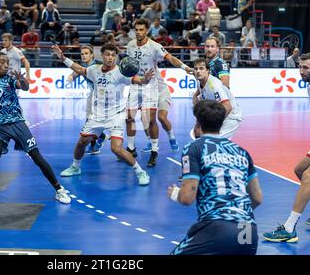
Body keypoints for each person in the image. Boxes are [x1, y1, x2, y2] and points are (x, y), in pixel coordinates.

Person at [0, 52, 71, 208]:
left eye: (7, 62)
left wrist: (21, 78)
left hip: (17, 122)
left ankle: (58, 189)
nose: (6, 65)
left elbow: (25, 87)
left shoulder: (10, 79)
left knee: (36, 156)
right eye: (2, 62)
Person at [168, 99, 262, 255]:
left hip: (217, 226)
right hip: (248, 230)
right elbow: (257, 198)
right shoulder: (242, 152)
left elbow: (186, 198)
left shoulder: (194, 148)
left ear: (198, 123)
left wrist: (175, 194)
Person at [53, 43, 153, 186]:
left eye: (113, 55)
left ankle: (140, 172)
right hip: (97, 115)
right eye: (107, 54)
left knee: (116, 149)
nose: (110, 58)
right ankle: (75, 167)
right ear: (102, 55)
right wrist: (62, 57)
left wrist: (146, 79)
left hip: (116, 116)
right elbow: (79, 69)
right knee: (81, 142)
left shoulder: (121, 72)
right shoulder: (94, 70)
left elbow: (139, 80)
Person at [263, 53, 310, 242]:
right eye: (300, 67)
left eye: (306, 68)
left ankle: (289, 228)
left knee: (309, 175)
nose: (301, 71)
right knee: (300, 170)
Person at [126, 18, 192, 167]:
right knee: (129, 118)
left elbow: (171, 58)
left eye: (141, 30)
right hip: (136, 85)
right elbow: (128, 66)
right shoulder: (130, 46)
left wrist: (185, 68)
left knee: (150, 120)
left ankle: (154, 151)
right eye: (136, 29)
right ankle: (130, 149)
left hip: (151, 87)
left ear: (147, 30)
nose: (138, 32)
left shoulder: (155, 46)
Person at [66, 45, 106, 155]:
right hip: (92, 96)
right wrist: (71, 76)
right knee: (89, 120)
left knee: (97, 121)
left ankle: (103, 138)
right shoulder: (83, 65)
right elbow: (76, 72)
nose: (84, 56)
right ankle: (96, 145)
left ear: (92, 54)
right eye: (82, 54)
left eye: (86, 53)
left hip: (103, 96)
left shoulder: (99, 64)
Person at [191, 58, 242, 139]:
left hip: (231, 116)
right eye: (196, 68)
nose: (198, 71)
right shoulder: (199, 81)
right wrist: (198, 122)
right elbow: (197, 96)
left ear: (208, 70)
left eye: (201, 68)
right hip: (218, 112)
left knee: (212, 139)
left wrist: (215, 124)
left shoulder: (215, 85)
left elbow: (228, 106)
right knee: (197, 135)